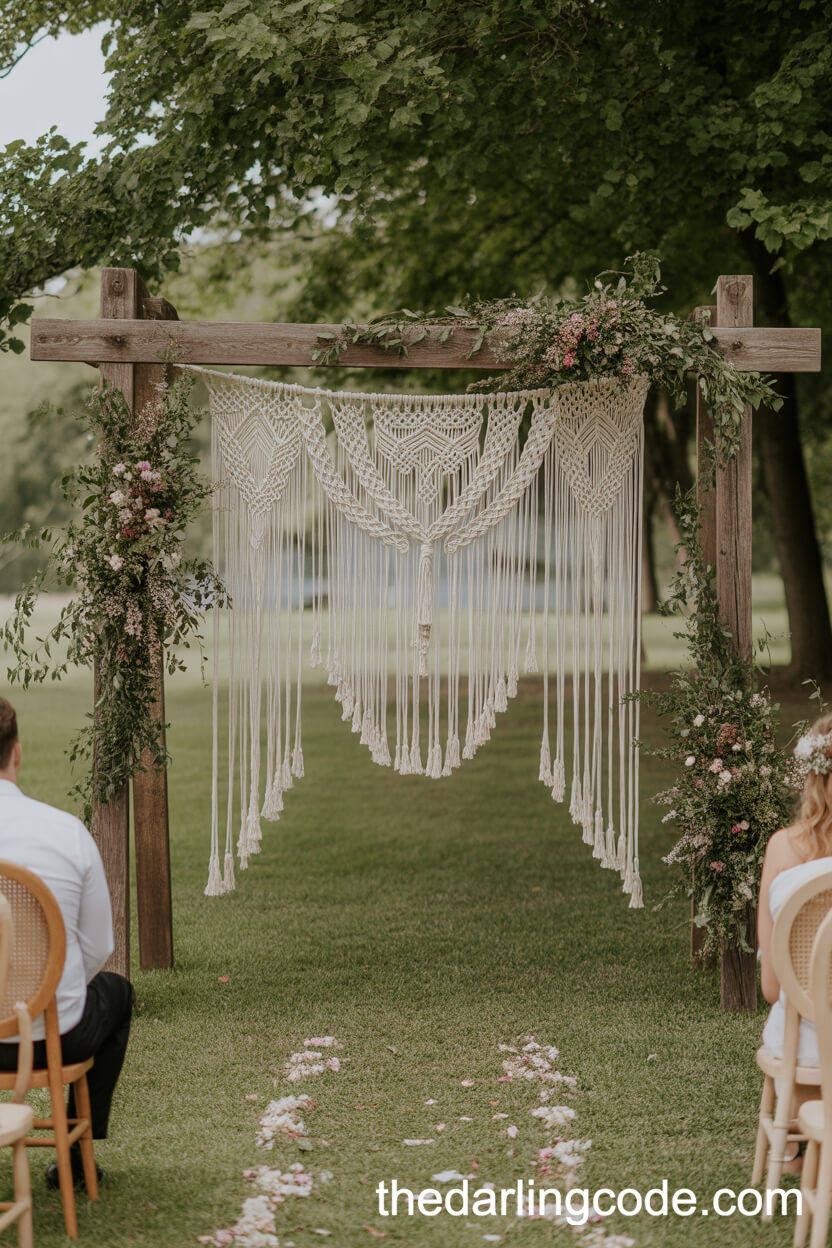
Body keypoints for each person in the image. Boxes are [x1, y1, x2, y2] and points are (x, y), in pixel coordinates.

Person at [0, 696, 134, 1190]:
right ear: (16, 753)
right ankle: (77, 1161)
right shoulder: (66, 832)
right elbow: (98, 948)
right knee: (116, 991)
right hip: (54, 1035)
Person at [758, 710, 832, 1170]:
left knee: (801, 1020)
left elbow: (772, 988)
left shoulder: (783, 850)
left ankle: (797, 1141)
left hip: (810, 1044)